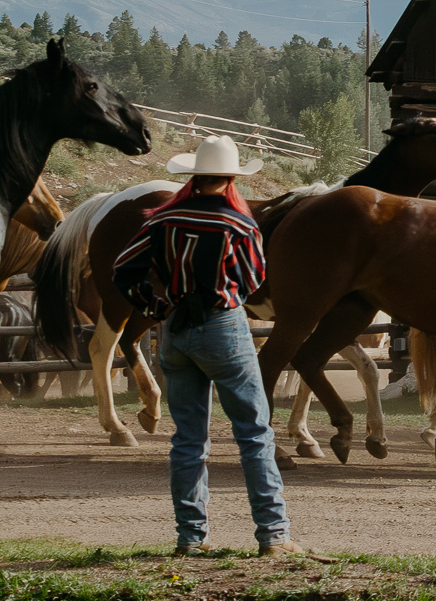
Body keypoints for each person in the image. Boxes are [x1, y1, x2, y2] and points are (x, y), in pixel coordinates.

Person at [111, 132, 297, 558]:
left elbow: (124, 270)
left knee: (188, 439)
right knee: (253, 433)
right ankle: (273, 535)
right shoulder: (240, 223)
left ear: (193, 176)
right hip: (223, 326)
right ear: (231, 177)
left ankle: (191, 538)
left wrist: (155, 306)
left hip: (174, 327)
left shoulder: (160, 220)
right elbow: (252, 281)